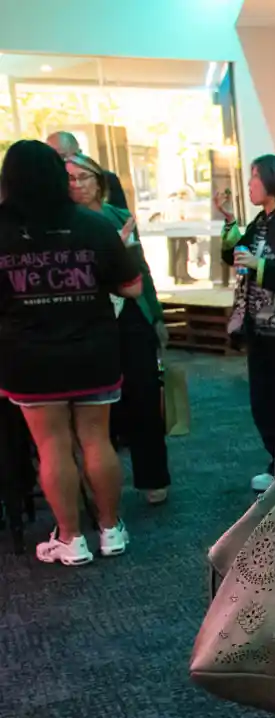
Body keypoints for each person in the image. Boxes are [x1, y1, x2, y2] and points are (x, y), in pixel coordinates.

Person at [0, 141, 140, 564]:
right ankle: (112, 530)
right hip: (91, 352)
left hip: (29, 357)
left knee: (52, 446)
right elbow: (131, 287)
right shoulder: (93, 226)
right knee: (97, 440)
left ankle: (71, 538)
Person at [67, 153, 171, 504]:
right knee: (96, 406)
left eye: (83, 177)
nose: (77, 185)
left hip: (131, 312)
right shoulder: (64, 223)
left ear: (99, 181)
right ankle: (100, 483)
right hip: (90, 320)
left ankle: (153, 478)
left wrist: (156, 316)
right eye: (69, 179)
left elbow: (141, 270)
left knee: (144, 396)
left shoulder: (120, 216)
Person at [216, 154, 275, 492]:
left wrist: (258, 265)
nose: (250, 184)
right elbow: (233, 255)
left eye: (254, 176)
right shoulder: (261, 221)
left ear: (273, 180)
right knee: (262, 399)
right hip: (258, 327)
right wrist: (228, 222)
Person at [46, 132, 128, 210]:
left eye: (61, 156)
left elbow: (124, 217)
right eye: (50, 158)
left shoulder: (107, 178)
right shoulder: (47, 183)